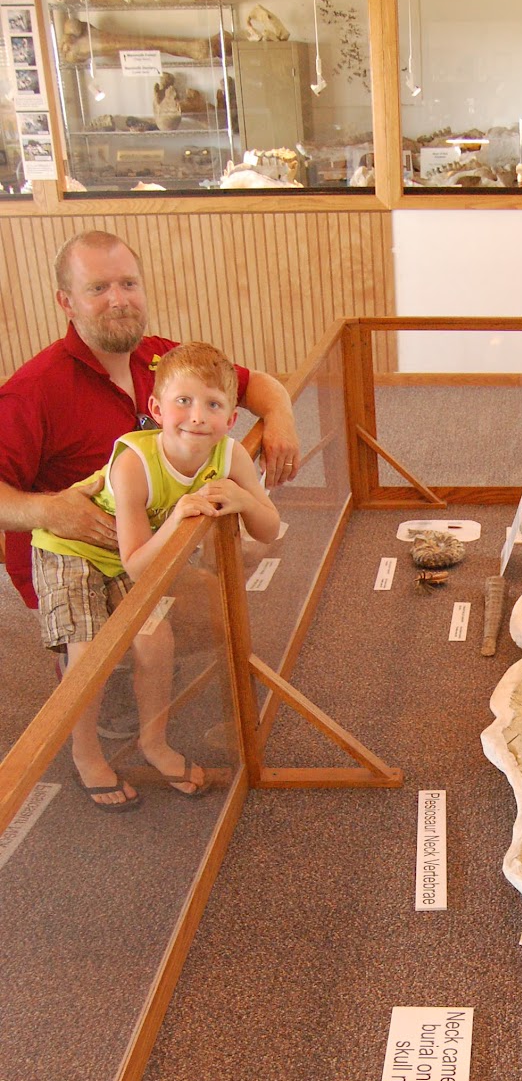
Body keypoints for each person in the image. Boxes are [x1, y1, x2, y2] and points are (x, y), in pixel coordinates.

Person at [30, 342, 280, 809]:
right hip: (72, 549)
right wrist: (179, 514)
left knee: (155, 639)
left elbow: (267, 531)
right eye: (182, 401)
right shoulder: (134, 463)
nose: (196, 416)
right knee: (88, 651)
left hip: (130, 548)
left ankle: (154, 743)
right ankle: (85, 754)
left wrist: (248, 502)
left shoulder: (228, 455)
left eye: (213, 404)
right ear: (156, 409)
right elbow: (137, 564)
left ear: (231, 419)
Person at [0, 229, 299, 612]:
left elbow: (254, 383)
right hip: (82, 563)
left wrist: (280, 416)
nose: (119, 301)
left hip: (153, 538)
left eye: (128, 284)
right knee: (213, 608)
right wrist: (48, 510)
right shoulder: (34, 391)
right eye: (98, 289)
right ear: (67, 302)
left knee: (246, 582)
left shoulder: (159, 357)